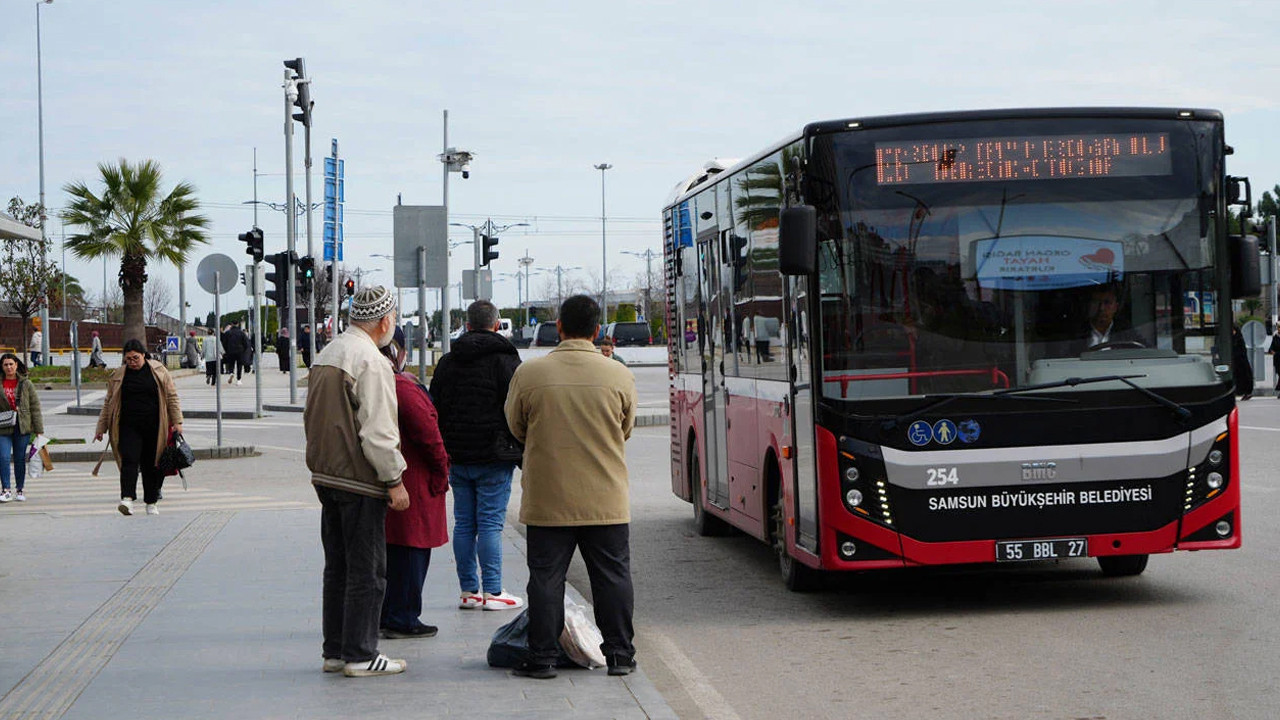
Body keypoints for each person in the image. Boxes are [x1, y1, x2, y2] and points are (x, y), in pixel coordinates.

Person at [504, 294, 639, 680]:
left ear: (559, 327)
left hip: (549, 497)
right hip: (606, 498)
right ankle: (620, 655)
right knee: (612, 577)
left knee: (546, 578)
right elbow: (625, 429)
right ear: (598, 332)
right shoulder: (618, 374)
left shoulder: (530, 374)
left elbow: (515, 425)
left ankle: (542, 656)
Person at [303, 285, 410, 678]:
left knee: (339, 569)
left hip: (326, 475)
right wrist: (394, 479)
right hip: (360, 481)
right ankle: (362, 654)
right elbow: (378, 432)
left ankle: (336, 650)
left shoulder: (327, 353)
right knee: (369, 571)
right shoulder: (372, 361)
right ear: (385, 321)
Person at [429, 300, 524, 612]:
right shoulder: (506, 360)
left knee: (464, 523)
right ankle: (493, 591)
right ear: (496, 325)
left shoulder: (447, 362)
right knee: (491, 524)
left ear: (467, 325)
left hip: (457, 453)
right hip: (494, 454)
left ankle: (468, 591)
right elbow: (516, 408)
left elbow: (435, 406)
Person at [378, 327, 451, 639]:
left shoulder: (376, 383)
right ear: (400, 351)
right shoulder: (403, 388)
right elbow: (429, 436)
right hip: (415, 481)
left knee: (394, 551)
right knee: (412, 549)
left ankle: (389, 613)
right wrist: (442, 469)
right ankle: (403, 616)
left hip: (393, 479)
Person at [93, 339, 184, 516]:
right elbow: (108, 403)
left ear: (143, 354)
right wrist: (101, 428)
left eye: (135, 358)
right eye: (128, 359)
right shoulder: (118, 375)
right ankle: (127, 499)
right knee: (129, 461)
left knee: (151, 465)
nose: (132, 362)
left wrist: (177, 422)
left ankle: (151, 502)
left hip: (154, 426)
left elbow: (172, 396)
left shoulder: (158, 371)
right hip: (127, 427)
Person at [0, 353, 42, 503]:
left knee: (19, 459)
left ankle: (20, 489)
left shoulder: (26, 384)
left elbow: (35, 407)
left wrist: (39, 430)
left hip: (22, 426)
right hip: (3, 427)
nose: (9, 367)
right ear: (2, 367)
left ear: (16, 365)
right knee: (3, 457)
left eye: (11, 364)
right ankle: (5, 490)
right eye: (6, 365)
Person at [1064, 285, 1143, 356]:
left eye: (1107, 303)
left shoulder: (1127, 333)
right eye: (1096, 302)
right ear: (1089, 306)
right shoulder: (1077, 334)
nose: (1101, 308)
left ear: (1115, 307)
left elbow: (1146, 353)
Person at [222, 321, 248, 385]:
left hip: (230, 351)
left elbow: (224, 343)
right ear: (238, 324)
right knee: (239, 365)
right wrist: (243, 350)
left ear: (231, 324)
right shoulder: (241, 333)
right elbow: (246, 343)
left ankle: (231, 373)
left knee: (231, 364)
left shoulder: (227, 333)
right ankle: (239, 380)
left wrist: (226, 350)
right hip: (240, 351)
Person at [1231, 324, 1253, 400]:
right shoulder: (1231, 339)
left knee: (1244, 377)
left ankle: (1247, 393)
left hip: (1241, 362)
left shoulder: (1239, 339)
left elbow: (1241, 351)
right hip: (1235, 362)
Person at [1268, 326, 1280, 394]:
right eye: (1278, 328)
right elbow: (1271, 348)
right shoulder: (1275, 337)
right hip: (1277, 360)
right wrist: (1272, 351)